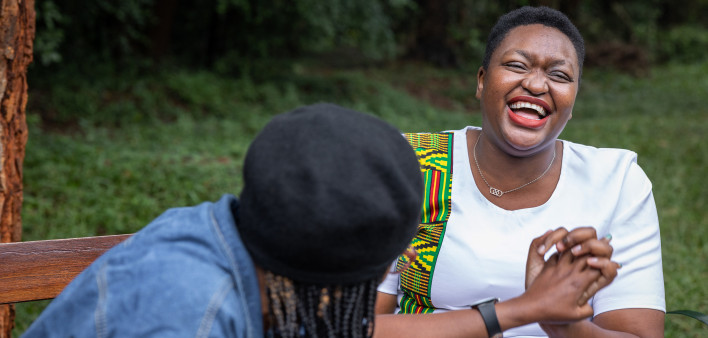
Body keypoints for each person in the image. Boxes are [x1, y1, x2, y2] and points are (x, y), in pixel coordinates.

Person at [375, 6, 665, 338]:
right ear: (482, 81)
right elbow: (357, 327)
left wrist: (564, 324)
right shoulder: (412, 163)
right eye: (516, 65)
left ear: (573, 101)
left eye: (559, 75)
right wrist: (526, 309)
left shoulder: (616, 181)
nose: (536, 83)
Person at [22, 103, 427, 337]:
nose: (398, 264)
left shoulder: (221, 231)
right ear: (333, 279)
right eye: (387, 263)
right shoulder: (188, 317)